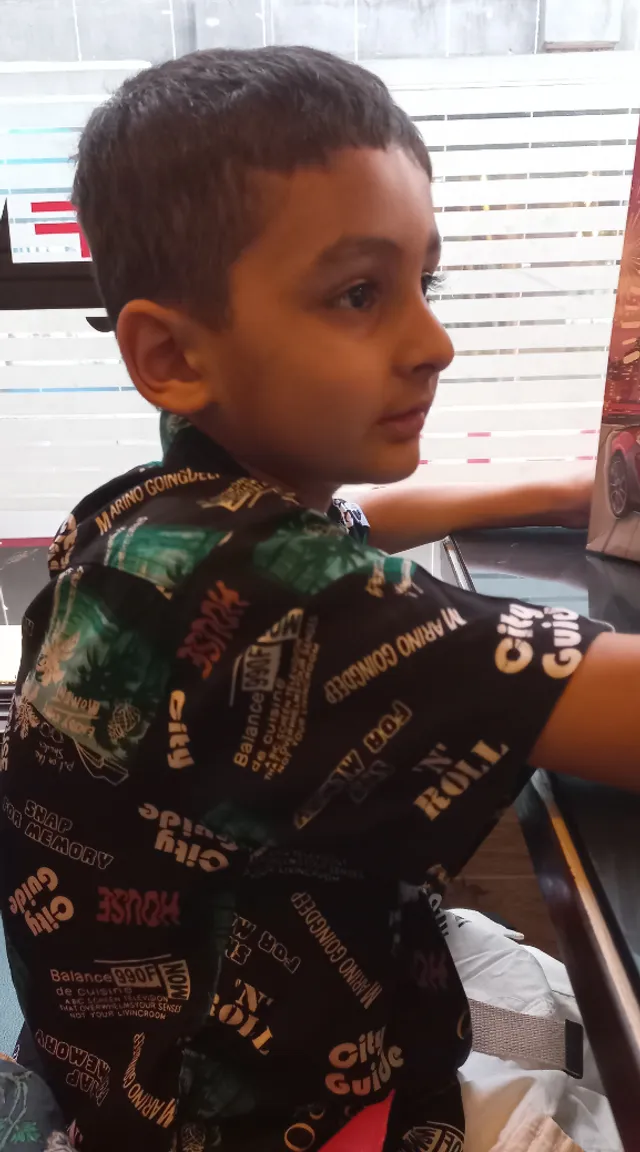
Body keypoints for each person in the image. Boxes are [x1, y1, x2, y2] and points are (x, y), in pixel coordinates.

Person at [0, 46, 632, 1152]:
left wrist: (576, 484)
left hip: (115, 1069)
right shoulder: (285, 600)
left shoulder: (152, 513)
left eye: (422, 284)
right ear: (172, 354)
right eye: (358, 294)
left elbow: (357, 522)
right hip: (283, 1116)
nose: (433, 343)